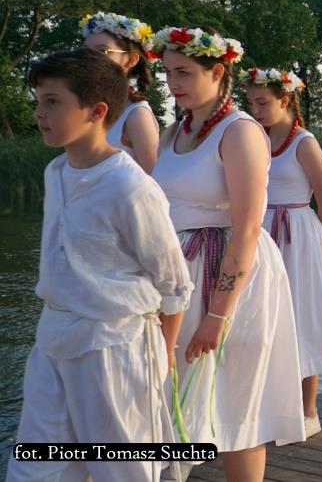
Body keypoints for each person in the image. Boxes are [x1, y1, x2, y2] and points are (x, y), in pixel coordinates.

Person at [7, 49, 192, 482]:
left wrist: (164, 352)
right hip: (53, 336)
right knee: (36, 469)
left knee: (122, 468)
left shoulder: (129, 186)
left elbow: (174, 283)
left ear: (97, 111)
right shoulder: (55, 172)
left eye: (53, 101)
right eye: (39, 101)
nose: (39, 113)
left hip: (114, 344)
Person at [150, 26, 305, 480]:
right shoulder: (173, 133)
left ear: (217, 72)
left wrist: (218, 313)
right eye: (168, 73)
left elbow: (248, 228)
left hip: (230, 273)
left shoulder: (240, 132)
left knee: (237, 408)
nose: (173, 83)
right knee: (171, 396)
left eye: (184, 72)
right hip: (181, 272)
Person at [245, 67, 322, 438]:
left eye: (263, 103)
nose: (255, 110)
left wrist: (317, 250)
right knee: (262, 316)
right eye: (251, 103)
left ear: (285, 100)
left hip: (299, 235)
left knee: (301, 316)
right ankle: (269, 406)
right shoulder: (253, 139)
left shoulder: (304, 142)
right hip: (262, 230)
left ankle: (309, 411)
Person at [80, 11, 160, 173]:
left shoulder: (136, 115)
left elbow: (155, 178)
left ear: (130, 60)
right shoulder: (83, 107)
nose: (90, 58)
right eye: (86, 51)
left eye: (102, 51)